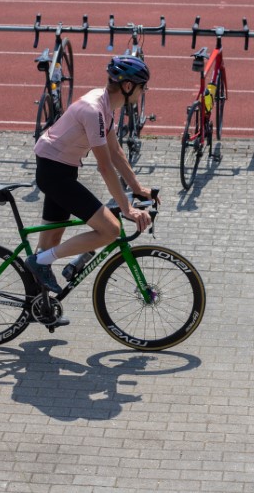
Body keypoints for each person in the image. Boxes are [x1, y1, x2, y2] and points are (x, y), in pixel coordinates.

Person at [24, 55, 158, 318]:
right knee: (111, 229)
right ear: (128, 86)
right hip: (55, 174)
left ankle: (36, 305)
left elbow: (116, 152)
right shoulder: (94, 110)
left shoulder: (104, 106)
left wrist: (138, 187)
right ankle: (38, 263)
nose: (144, 92)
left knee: (50, 242)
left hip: (60, 170)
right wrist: (127, 208)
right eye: (143, 87)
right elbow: (105, 166)